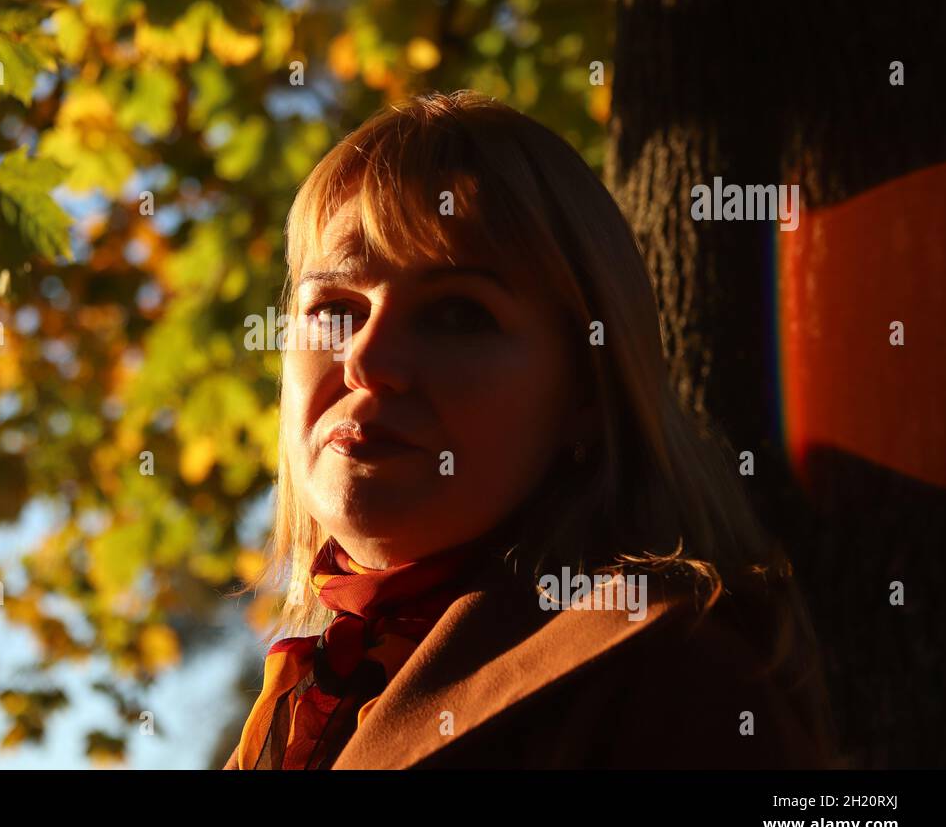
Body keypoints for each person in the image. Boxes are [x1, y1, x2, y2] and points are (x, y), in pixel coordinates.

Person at [222, 90, 837, 770]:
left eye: (456, 314)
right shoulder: (307, 694)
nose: (367, 360)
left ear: (584, 391)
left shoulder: (664, 677)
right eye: (336, 309)